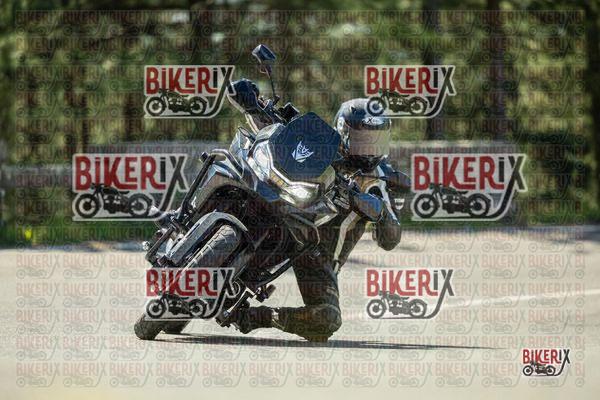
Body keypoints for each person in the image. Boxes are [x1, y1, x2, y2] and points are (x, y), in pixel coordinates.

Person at [229, 98, 410, 342]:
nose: (369, 148)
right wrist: (252, 104)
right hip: (286, 218)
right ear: (343, 132)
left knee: (327, 319)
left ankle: (258, 317)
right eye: (363, 139)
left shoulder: (381, 178)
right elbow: (281, 132)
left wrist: (380, 213)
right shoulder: (321, 143)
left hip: (318, 255)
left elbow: (390, 240)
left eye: (375, 141)